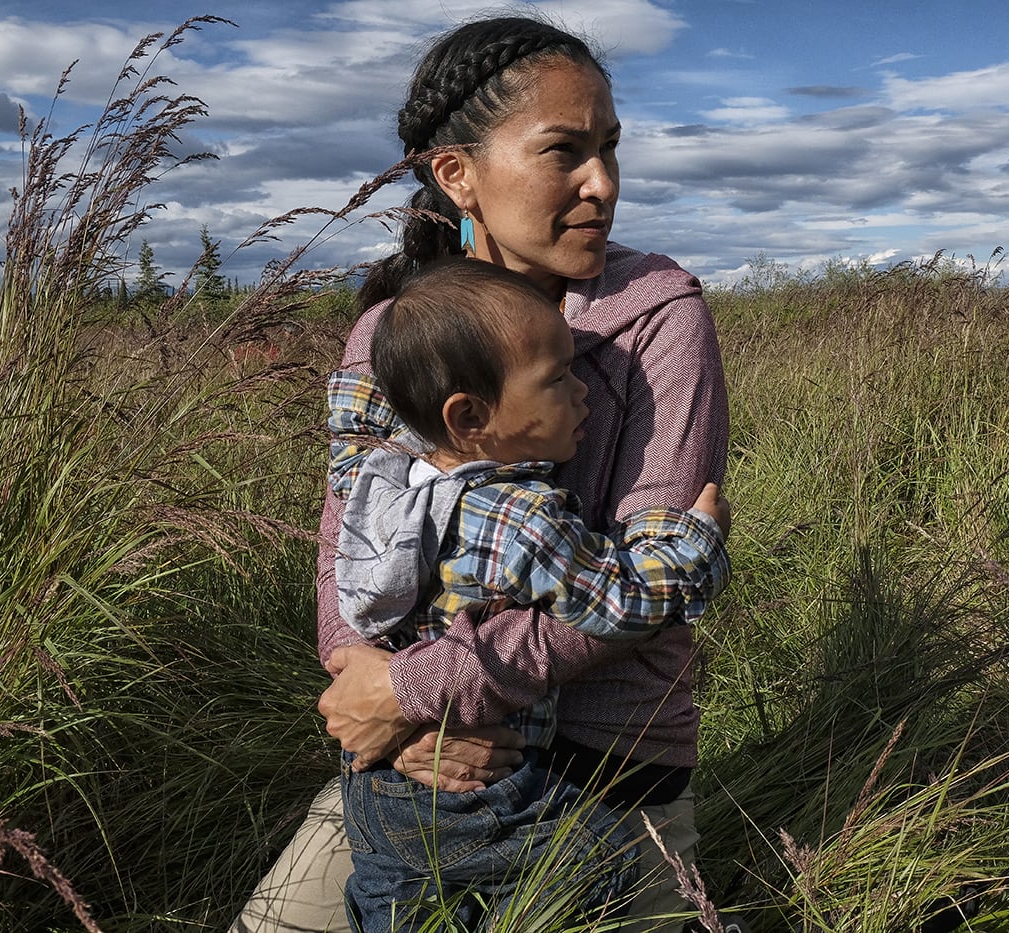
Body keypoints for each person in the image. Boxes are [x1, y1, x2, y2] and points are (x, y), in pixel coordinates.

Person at [230, 13, 730, 933]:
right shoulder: (387, 331)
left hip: (602, 773)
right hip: (403, 773)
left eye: (611, 148)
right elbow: (350, 539)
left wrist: (418, 689)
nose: (603, 184)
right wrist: (370, 685)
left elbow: (634, 595)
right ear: (455, 172)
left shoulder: (659, 315)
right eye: (564, 151)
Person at [333, 257, 732, 931]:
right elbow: (616, 603)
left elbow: (342, 592)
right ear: (470, 414)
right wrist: (695, 548)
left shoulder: (387, 481)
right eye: (559, 378)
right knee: (598, 859)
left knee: (396, 894)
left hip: (372, 789)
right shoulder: (521, 515)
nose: (584, 392)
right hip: (484, 789)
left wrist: (402, 692)